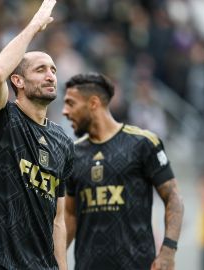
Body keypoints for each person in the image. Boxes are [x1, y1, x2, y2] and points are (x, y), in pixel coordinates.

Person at [0, 1, 74, 269]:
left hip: (37, 263)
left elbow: (58, 220)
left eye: (53, 70)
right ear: (18, 81)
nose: (50, 76)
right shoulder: (2, 118)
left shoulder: (63, 142)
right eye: (40, 69)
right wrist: (35, 26)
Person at [61, 73, 184, 270]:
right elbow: (69, 215)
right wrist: (52, 261)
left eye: (70, 103)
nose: (65, 111)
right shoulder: (72, 154)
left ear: (93, 103)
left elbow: (174, 198)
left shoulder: (143, 143)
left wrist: (168, 251)